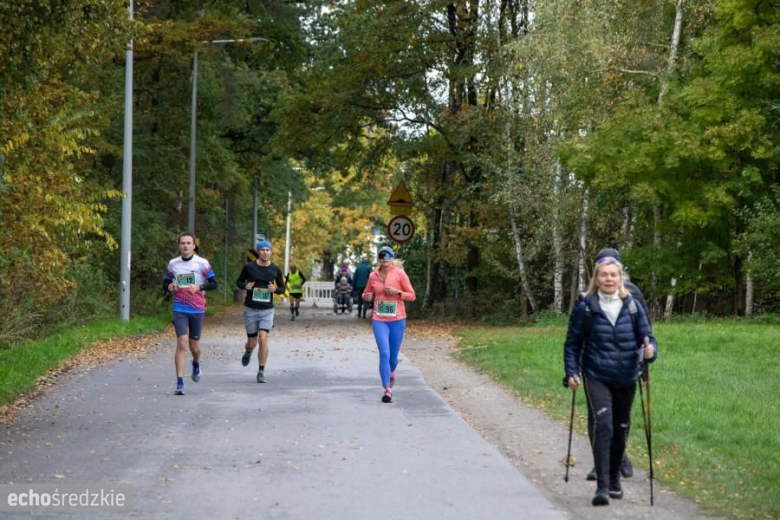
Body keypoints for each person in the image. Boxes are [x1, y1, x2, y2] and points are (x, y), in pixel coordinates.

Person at [564, 255, 657, 506]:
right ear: (596, 278)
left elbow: (648, 338)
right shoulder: (586, 306)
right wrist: (571, 372)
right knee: (604, 425)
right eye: (603, 275)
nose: (608, 279)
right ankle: (602, 487)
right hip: (597, 375)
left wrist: (650, 353)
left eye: (613, 275)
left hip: (626, 376)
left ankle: (615, 478)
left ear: (620, 278)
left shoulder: (633, 305)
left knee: (620, 428)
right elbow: (572, 344)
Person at [585, 247, 650, 481]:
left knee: (620, 417)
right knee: (598, 417)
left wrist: (644, 363)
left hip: (626, 364)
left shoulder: (633, 295)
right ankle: (599, 465)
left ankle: (619, 457)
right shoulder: (589, 296)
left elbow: (644, 331)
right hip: (595, 366)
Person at [163, 233, 218, 395]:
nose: (185, 246)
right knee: (182, 343)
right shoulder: (173, 264)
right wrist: (169, 287)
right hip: (179, 308)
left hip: (197, 308)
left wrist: (199, 287)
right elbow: (166, 282)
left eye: (188, 243)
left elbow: (214, 284)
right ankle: (179, 382)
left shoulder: (202, 263)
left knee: (195, 347)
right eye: (182, 243)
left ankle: (196, 362)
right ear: (179, 246)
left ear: (194, 246)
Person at [362, 246, 416, 403]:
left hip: (397, 319)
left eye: (387, 255)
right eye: (381, 255)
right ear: (379, 258)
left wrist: (397, 292)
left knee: (393, 358)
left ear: (392, 258)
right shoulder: (373, 275)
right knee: (384, 353)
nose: (384, 258)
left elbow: (412, 296)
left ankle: (392, 371)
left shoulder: (399, 274)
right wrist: (366, 297)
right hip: (379, 319)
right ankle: (387, 389)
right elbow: (366, 293)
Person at [235, 240, 286, 383]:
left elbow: (282, 288)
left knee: (263, 338)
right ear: (258, 251)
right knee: (252, 342)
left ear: (271, 252)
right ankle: (248, 351)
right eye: (262, 250)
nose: (265, 252)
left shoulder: (275, 269)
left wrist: (275, 290)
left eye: (267, 250)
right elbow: (238, 282)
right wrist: (246, 286)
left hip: (267, 310)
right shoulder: (249, 267)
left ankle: (261, 371)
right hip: (251, 308)